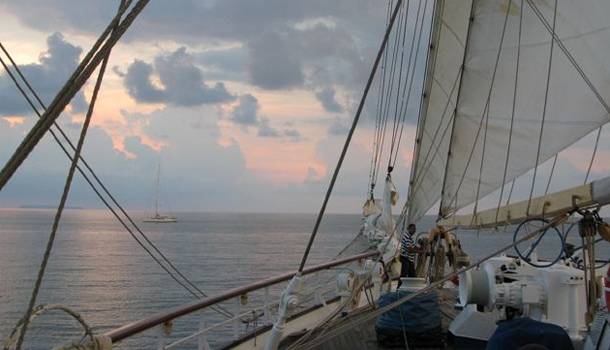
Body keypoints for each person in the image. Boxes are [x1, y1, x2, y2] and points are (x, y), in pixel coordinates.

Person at [397, 223, 422, 288]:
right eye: (413, 229)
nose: (414, 231)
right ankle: (399, 288)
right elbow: (410, 249)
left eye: (415, 229)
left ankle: (411, 288)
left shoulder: (410, 237)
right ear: (409, 229)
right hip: (405, 258)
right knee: (404, 274)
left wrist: (421, 249)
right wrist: (419, 252)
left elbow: (413, 246)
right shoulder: (407, 236)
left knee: (412, 274)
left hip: (409, 259)